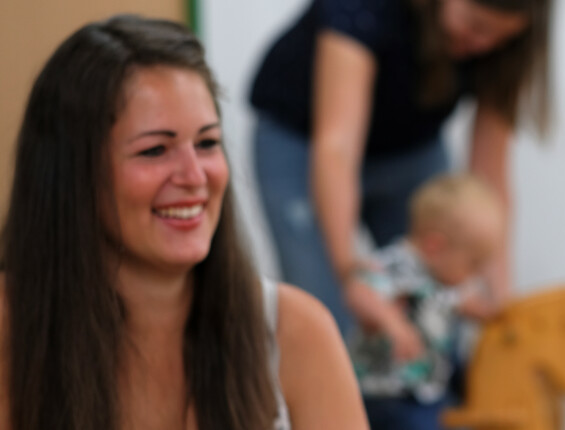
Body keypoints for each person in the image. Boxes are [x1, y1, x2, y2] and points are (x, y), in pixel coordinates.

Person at [0, 15, 367, 429]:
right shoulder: (11, 328)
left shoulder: (297, 331)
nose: (195, 176)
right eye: (155, 150)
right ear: (72, 172)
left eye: (207, 143)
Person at [249, 0, 551, 334]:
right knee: (326, 313)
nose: (483, 45)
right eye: (476, 25)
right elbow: (337, 149)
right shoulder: (363, 9)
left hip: (412, 148)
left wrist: (500, 300)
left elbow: (490, 176)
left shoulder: (500, 45)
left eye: (501, 38)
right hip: (302, 142)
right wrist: (350, 274)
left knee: (436, 305)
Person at [347, 173, 503, 429]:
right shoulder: (398, 266)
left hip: (426, 384)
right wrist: (393, 324)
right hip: (387, 391)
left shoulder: (445, 275)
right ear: (435, 246)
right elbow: (359, 291)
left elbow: (465, 302)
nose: (475, 275)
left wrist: (492, 312)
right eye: (473, 263)